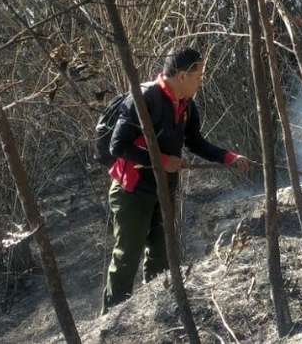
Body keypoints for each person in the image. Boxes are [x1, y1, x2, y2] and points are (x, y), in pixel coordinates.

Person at [101, 47, 253, 314]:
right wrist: (161, 160)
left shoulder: (186, 105)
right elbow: (118, 146)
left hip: (165, 189)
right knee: (127, 258)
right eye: (198, 75)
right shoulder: (144, 97)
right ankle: (110, 322)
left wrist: (229, 157)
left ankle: (155, 310)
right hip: (132, 190)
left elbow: (195, 142)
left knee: (162, 254)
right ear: (183, 75)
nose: (201, 81)